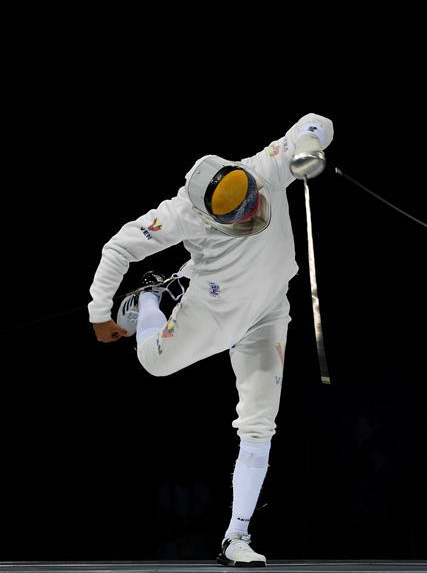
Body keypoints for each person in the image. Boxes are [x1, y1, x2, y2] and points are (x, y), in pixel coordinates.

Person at [88, 113, 334, 567]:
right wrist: (100, 314)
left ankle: (236, 536)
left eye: (250, 203)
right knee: (155, 363)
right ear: (206, 214)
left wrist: (307, 145)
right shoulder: (181, 213)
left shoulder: (265, 168)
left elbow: (317, 121)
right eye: (236, 215)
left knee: (260, 424)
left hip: (268, 314)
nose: (251, 213)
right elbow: (118, 247)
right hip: (213, 313)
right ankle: (150, 301)